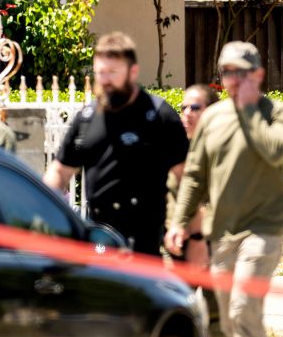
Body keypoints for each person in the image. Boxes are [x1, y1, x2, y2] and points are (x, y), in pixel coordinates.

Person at [165, 41, 283, 337]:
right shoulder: (213, 119)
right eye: (227, 72)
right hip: (222, 233)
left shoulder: (277, 113)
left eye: (241, 72)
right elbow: (194, 175)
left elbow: (275, 150)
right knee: (229, 323)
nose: (233, 79)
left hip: (263, 230)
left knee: (242, 309)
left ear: (259, 74)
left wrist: (250, 110)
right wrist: (180, 223)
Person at [44, 32, 189, 256]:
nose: (105, 80)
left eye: (113, 72)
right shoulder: (87, 118)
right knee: (100, 287)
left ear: (133, 72)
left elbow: (186, 177)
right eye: (100, 73)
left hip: (145, 240)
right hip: (101, 239)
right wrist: (43, 208)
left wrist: (185, 226)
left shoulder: (159, 115)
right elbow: (61, 170)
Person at [167, 83, 220, 267]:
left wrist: (197, 232)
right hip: (178, 241)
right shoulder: (177, 148)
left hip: (212, 242)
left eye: (195, 108)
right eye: (184, 107)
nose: (187, 112)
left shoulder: (220, 150)